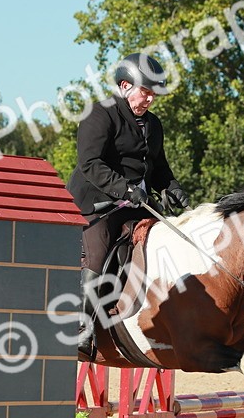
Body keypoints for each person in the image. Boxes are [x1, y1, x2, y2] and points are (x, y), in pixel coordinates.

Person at [66, 53, 189, 355]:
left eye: (153, 94)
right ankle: (81, 329)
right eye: (145, 91)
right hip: (96, 204)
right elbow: (89, 164)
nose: (149, 99)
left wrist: (173, 189)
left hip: (135, 203)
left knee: (169, 241)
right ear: (124, 86)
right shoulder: (99, 113)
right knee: (97, 254)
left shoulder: (153, 125)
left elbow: (158, 168)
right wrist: (125, 189)